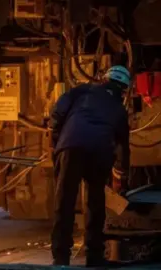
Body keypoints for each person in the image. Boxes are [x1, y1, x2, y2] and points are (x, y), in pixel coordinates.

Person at [49, 65, 131, 267]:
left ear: (104, 79)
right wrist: (121, 175)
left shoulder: (84, 90)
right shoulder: (120, 110)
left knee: (64, 202)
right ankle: (94, 256)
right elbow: (123, 146)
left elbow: (58, 111)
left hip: (71, 147)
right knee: (95, 203)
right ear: (124, 90)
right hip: (99, 151)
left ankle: (61, 257)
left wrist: (56, 138)